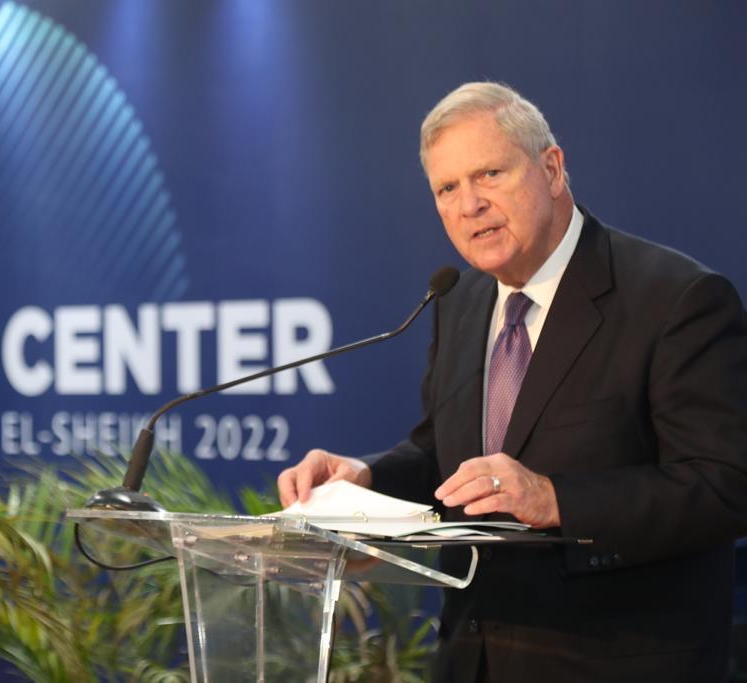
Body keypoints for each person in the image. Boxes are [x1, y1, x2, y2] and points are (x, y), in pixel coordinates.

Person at [278, 82, 747, 683]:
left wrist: (556, 499)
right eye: (447, 188)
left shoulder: (675, 299)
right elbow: (439, 459)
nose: (469, 204)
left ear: (551, 169)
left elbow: (725, 485)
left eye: (490, 174)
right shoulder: (460, 301)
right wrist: (364, 479)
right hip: (475, 660)